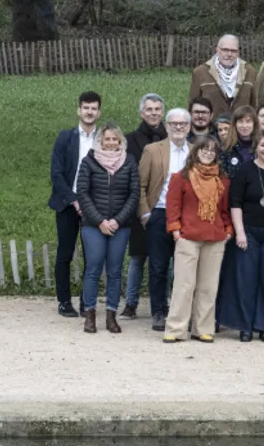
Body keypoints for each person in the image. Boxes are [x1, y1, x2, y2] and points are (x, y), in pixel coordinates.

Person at [163, 135, 233, 343]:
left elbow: (225, 209)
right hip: (188, 236)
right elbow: (172, 206)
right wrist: (175, 229)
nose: (208, 153)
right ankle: (176, 329)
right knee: (184, 285)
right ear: (196, 152)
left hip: (215, 237)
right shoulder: (181, 177)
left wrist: (228, 230)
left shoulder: (223, 180)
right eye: (205, 149)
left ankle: (202, 328)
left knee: (208, 286)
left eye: (213, 151)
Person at [218, 130, 264, 343]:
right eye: (263, 145)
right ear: (255, 147)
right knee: (245, 280)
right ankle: (244, 325)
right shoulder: (245, 170)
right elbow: (235, 203)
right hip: (248, 232)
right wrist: (240, 233)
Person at [74, 121, 140, 334]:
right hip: (94, 225)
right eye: (107, 139)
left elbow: (134, 194)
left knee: (115, 270)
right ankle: (90, 313)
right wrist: (100, 221)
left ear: (120, 141)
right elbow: (83, 193)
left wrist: (118, 221)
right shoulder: (89, 161)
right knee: (93, 269)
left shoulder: (129, 161)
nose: (111, 143)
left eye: (115, 139)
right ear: (100, 140)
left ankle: (111, 314)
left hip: (120, 225)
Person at [138, 108, 191, 332]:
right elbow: (140, 185)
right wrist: (145, 214)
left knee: (184, 269)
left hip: (188, 217)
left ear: (188, 127)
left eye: (182, 124)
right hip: (159, 213)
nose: (178, 128)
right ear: (166, 126)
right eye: (173, 124)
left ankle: (181, 311)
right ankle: (158, 311)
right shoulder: (152, 150)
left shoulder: (197, 151)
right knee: (158, 266)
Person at [49, 90, 100, 318]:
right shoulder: (65, 138)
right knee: (65, 254)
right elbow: (56, 173)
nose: (89, 112)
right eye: (86, 108)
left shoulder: (104, 139)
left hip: (94, 205)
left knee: (93, 255)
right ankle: (64, 301)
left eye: (94, 108)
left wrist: (87, 202)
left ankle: (87, 302)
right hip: (67, 204)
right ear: (78, 110)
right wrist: (73, 199)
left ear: (99, 112)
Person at [122, 93, 167, 319]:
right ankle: (131, 303)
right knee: (138, 257)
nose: (154, 113)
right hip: (139, 204)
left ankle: (163, 303)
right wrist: (140, 207)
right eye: (149, 110)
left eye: (158, 109)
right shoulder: (130, 140)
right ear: (142, 113)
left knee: (164, 259)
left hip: (164, 205)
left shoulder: (171, 137)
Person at [189, 34, 258, 118]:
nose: (229, 54)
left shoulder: (250, 72)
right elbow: (192, 105)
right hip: (212, 127)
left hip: (241, 127)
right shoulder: (201, 72)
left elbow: (254, 105)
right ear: (217, 50)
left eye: (233, 51)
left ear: (238, 53)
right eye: (225, 50)